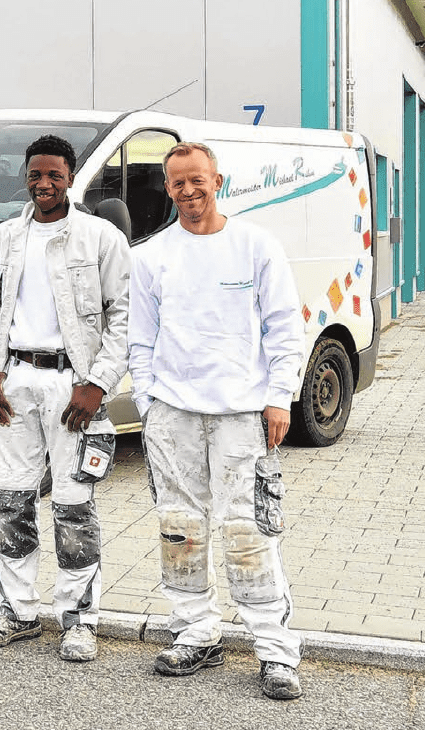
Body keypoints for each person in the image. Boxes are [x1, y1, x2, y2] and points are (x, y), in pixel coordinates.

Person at [129, 141, 304, 701]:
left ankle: (275, 651)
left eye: (197, 180)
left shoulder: (255, 246)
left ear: (217, 181)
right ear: (168, 188)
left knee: (248, 531)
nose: (189, 191)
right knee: (180, 528)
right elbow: (141, 339)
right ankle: (196, 633)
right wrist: (149, 406)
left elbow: (284, 326)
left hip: (241, 416)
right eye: (178, 182)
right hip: (173, 415)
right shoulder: (151, 256)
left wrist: (279, 398)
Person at [0, 134, 130, 663]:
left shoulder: (99, 238)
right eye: (36, 174)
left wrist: (97, 383)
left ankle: (79, 620)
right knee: (11, 500)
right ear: (26, 177)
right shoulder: (5, 239)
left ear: (71, 178)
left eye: (55, 174)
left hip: (73, 385)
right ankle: (16, 612)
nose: (44, 184)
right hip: (14, 382)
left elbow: (125, 316)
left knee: (74, 506)